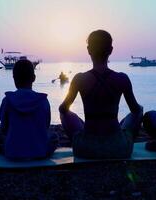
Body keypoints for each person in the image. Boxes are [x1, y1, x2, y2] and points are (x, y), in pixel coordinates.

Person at [59, 30, 143, 159]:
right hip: (118, 148)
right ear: (110, 50)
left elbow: (63, 109)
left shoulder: (79, 79)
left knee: (66, 113)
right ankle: (119, 132)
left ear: (88, 50)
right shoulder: (122, 78)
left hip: (86, 148)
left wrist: (81, 122)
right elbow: (135, 110)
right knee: (139, 110)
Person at [0, 59, 58, 160]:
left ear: (14, 78)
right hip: (40, 152)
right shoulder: (43, 101)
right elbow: (46, 126)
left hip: (13, 153)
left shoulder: (7, 100)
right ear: (34, 78)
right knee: (54, 137)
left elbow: (4, 127)